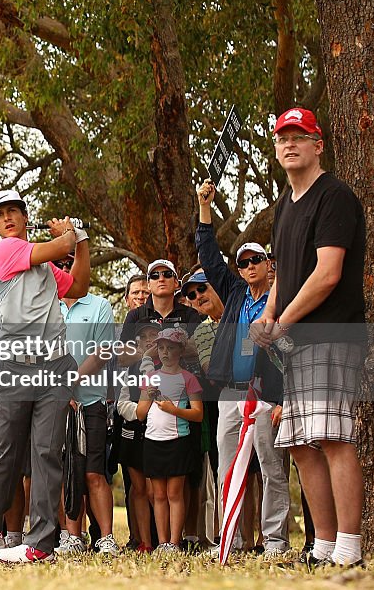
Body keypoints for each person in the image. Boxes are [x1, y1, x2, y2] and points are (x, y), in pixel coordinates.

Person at [250, 107, 366, 568]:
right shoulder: (285, 205)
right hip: (296, 340)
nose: (289, 144)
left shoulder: (334, 197)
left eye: (300, 136)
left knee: (333, 437)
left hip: (331, 335)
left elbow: (327, 274)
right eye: (282, 137)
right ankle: (323, 545)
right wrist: (268, 315)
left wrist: (284, 324)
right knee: (300, 441)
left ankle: (349, 550)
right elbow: (285, 274)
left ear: (319, 145)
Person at [0, 189, 91, 563]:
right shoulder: (3, 253)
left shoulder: (43, 267)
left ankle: (41, 543)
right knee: (8, 451)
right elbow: (59, 245)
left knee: (47, 452)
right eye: (0, 215)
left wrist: (83, 243)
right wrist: (70, 234)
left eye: (14, 212)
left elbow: (77, 286)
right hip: (14, 364)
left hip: (55, 365)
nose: (7, 218)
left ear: (26, 217)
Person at [196, 180, 290, 560]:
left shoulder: (283, 300)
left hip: (266, 393)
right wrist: (204, 209)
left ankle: (277, 543)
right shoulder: (233, 293)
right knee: (227, 468)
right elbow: (208, 257)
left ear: (269, 265)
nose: (249, 267)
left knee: (270, 468)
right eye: (244, 262)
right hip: (232, 393)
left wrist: (285, 398)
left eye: (256, 261)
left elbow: (291, 349)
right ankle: (230, 538)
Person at [57, 255, 120, 556]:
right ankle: (72, 536)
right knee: (65, 471)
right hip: (54, 402)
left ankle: (105, 538)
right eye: (60, 264)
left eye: (70, 263)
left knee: (93, 472)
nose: (65, 269)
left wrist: (71, 380)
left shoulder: (99, 305)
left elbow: (103, 352)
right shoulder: (46, 306)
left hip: (90, 401)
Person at [137, 327, 203, 555]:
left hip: (178, 440)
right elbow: (140, 413)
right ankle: (162, 542)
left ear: (181, 350)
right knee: (158, 495)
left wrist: (174, 410)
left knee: (175, 494)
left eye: (171, 348)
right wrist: (149, 394)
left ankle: (175, 542)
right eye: (161, 348)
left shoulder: (188, 379)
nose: (165, 353)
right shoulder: (150, 377)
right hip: (153, 440)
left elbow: (198, 414)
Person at [115, 319, 162, 553]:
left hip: (160, 432)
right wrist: (138, 413)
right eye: (145, 337)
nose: (149, 340)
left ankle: (165, 540)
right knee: (139, 489)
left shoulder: (168, 367)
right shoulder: (130, 369)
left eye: (154, 335)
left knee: (156, 490)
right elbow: (122, 401)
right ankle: (145, 542)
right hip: (133, 430)